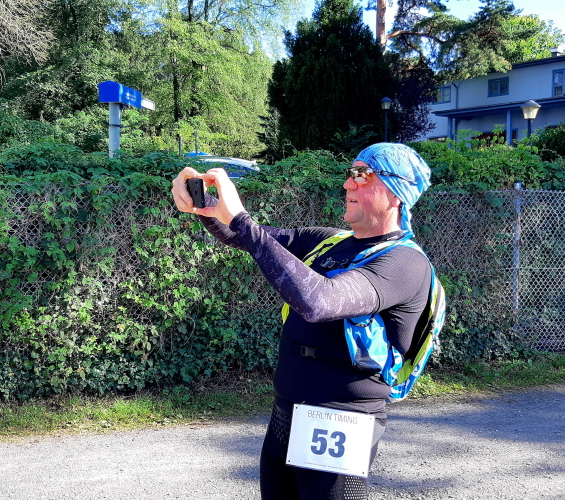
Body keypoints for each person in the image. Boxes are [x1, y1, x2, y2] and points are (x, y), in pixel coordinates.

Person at [171, 143, 434, 500]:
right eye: (350, 173)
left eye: (363, 175)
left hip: (341, 419)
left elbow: (319, 301)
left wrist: (240, 217)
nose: (348, 183)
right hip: (286, 410)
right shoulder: (329, 241)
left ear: (397, 194)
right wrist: (205, 206)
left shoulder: (405, 263)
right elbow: (246, 237)